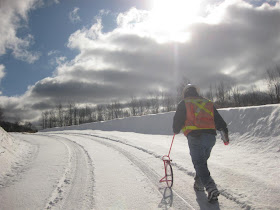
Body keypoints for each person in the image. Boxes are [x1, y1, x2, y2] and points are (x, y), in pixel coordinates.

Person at [173, 84, 229, 202]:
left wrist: (176, 129)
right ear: (196, 92)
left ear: (185, 93)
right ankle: (199, 184)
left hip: (195, 137)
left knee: (199, 163)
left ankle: (210, 187)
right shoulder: (207, 103)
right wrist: (225, 135)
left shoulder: (184, 103)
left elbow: (177, 121)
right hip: (210, 138)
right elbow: (219, 120)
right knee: (202, 162)